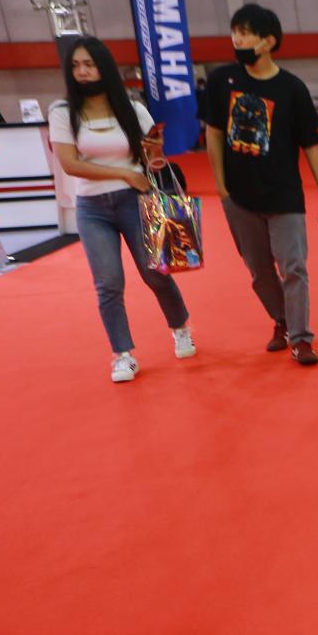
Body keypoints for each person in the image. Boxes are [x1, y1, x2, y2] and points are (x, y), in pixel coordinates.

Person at [49, 37, 195, 384]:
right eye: (75, 66)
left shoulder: (133, 109)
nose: (82, 72)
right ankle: (123, 354)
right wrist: (123, 173)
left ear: (104, 66)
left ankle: (181, 328)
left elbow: (154, 161)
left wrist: (153, 152)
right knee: (108, 284)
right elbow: (70, 164)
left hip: (136, 202)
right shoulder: (61, 112)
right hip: (92, 207)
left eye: (89, 64)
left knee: (156, 274)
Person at [205, 3, 318, 366]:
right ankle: (281, 319)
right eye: (235, 32)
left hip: (284, 194)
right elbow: (213, 134)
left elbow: (311, 143)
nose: (237, 39)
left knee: (293, 267)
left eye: (245, 33)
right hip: (239, 196)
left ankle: (301, 337)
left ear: (267, 42)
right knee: (260, 272)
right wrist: (221, 188)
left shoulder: (292, 88)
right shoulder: (221, 81)